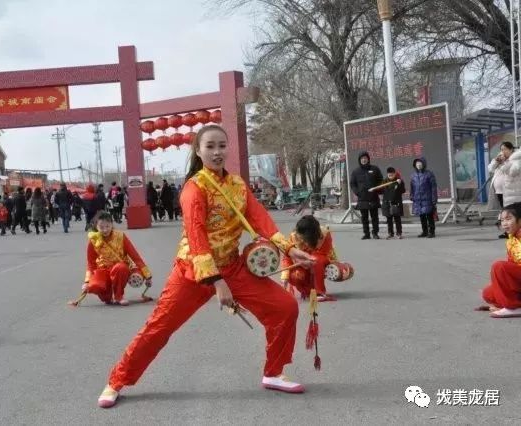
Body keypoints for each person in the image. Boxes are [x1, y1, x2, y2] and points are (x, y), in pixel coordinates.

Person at [97, 124, 314, 408]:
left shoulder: (237, 185)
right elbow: (197, 236)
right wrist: (216, 282)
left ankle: (273, 372)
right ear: (198, 151)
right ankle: (116, 380)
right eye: (210, 146)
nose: (217, 151)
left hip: (232, 267)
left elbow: (260, 219)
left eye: (221, 145)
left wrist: (290, 248)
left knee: (285, 307)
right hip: (192, 272)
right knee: (159, 328)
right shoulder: (193, 188)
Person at [70, 211, 152, 307]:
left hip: (119, 270)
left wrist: (147, 276)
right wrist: (87, 282)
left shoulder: (120, 236)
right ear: (96, 226)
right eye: (101, 227)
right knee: (102, 293)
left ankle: (119, 296)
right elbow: (91, 263)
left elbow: (135, 256)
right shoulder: (93, 240)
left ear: (112, 224)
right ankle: (107, 295)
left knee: (121, 268)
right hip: (102, 270)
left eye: (107, 226)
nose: (105, 230)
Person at [478, 202, 521, 318]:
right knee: (488, 294)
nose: (504, 224)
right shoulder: (511, 239)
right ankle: (512, 304)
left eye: (508, 219)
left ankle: (513, 307)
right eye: (502, 220)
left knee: (499, 266)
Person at [280, 215, 337, 302]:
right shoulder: (294, 236)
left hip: (318, 263)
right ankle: (306, 290)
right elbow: (287, 257)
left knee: (317, 260)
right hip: (302, 265)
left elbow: (323, 255)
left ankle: (319, 292)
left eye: (304, 239)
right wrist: (284, 277)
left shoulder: (324, 235)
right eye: (300, 238)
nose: (301, 241)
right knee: (296, 276)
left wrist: (310, 261)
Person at [488, 142, 521, 239]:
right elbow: (490, 169)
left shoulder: (516, 159)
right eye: (501, 149)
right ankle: (509, 232)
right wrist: (496, 161)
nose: (503, 152)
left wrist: (504, 164)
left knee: (514, 214)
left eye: (505, 149)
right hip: (502, 191)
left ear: (511, 149)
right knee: (505, 213)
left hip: (514, 192)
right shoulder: (502, 159)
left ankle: (513, 232)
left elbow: (513, 172)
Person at [350, 151, 383, 240]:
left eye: (365, 158)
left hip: (373, 197)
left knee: (374, 217)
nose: (364, 160)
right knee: (364, 218)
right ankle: (366, 233)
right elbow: (353, 184)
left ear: (368, 159)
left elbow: (381, 181)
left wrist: (377, 190)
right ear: (359, 160)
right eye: (362, 159)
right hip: (362, 199)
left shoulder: (375, 169)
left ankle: (375, 233)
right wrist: (357, 192)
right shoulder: (356, 171)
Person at [410, 157, 438, 238]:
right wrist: (412, 195)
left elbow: (433, 187)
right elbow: (412, 187)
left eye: (420, 163)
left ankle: (432, 232)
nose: (418, 165)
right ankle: (424, 231)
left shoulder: (429, 174)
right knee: (421, 216)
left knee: (429, 216)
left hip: (427, 198)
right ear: (415, 165)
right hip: (418, 199)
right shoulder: (413, 175)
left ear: (424, 164)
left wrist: (434, 198)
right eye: (417, 163)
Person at [379, 167, 406, 239]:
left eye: (392, 174)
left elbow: (403, 191)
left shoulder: (399, 181)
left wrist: (400, 184)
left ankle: (399, 233)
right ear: (387, 174)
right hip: (387, 203)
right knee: (389, 220)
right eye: (389, 174)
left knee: (397, 219)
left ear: (395, 174)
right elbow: (380, 191)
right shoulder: (384, 181)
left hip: (396, 203)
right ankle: (390, 233)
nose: (390, 175)